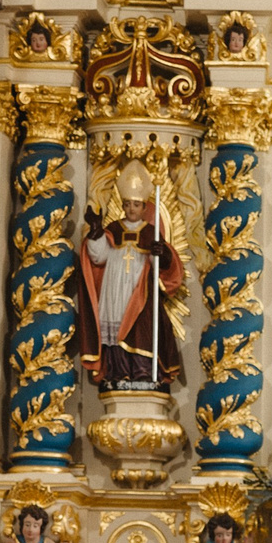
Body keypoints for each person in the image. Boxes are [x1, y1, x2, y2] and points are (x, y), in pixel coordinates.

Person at [77, 159, 185, 389]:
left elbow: (165, 264)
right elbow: (98, 257)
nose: (131, 209)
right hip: (114, 290)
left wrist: (160, 253)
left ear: (144, 207)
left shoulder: (151, 232)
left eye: (136, 205)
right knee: (114, 330)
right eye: (127, 204)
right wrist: (95, 233)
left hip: (140, 291)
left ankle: (143, 371)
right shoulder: (113, 230)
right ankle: (118, 371)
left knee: (141, 329)